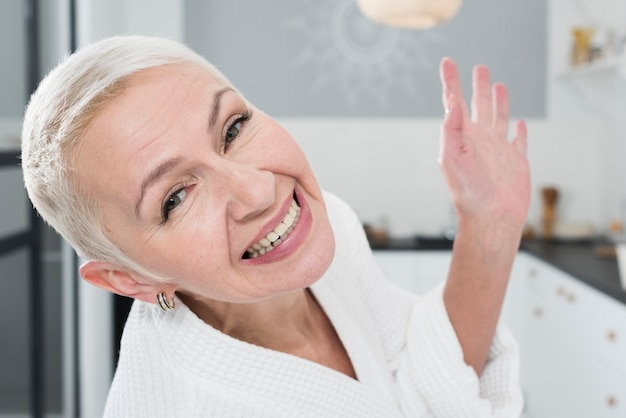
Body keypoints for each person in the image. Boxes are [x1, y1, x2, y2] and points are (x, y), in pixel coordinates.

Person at [22, 35, 530, 417]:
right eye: (175, 198)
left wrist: (490, 222)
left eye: (233, 128)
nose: (258, 192)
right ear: (129, 279)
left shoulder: (326, 232)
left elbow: (423, 375)